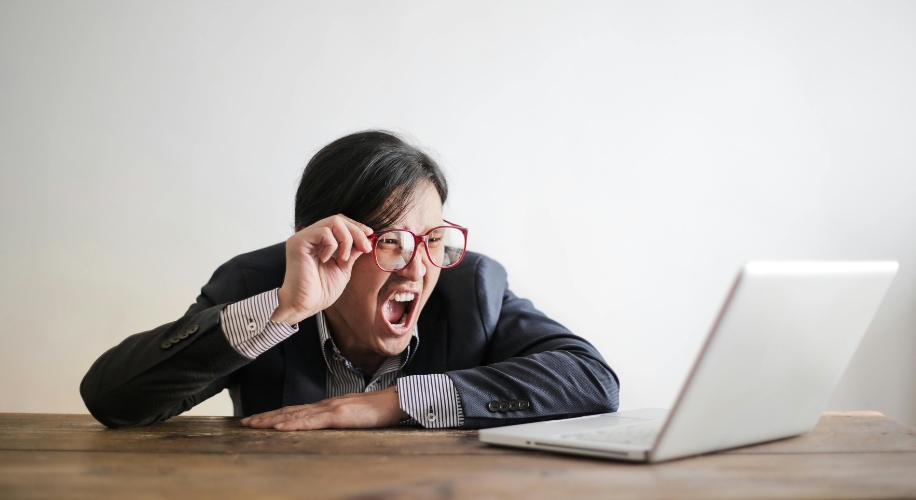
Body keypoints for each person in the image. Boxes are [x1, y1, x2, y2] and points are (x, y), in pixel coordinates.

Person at [80, 131, 620, 430]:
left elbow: (592, 379)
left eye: (433, 238)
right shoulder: (257, 283)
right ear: (321, 240)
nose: (417, 267)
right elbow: (112, 400)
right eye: (390, 240)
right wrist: (282, 312)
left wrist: (392, 402)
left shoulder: (471, 285)